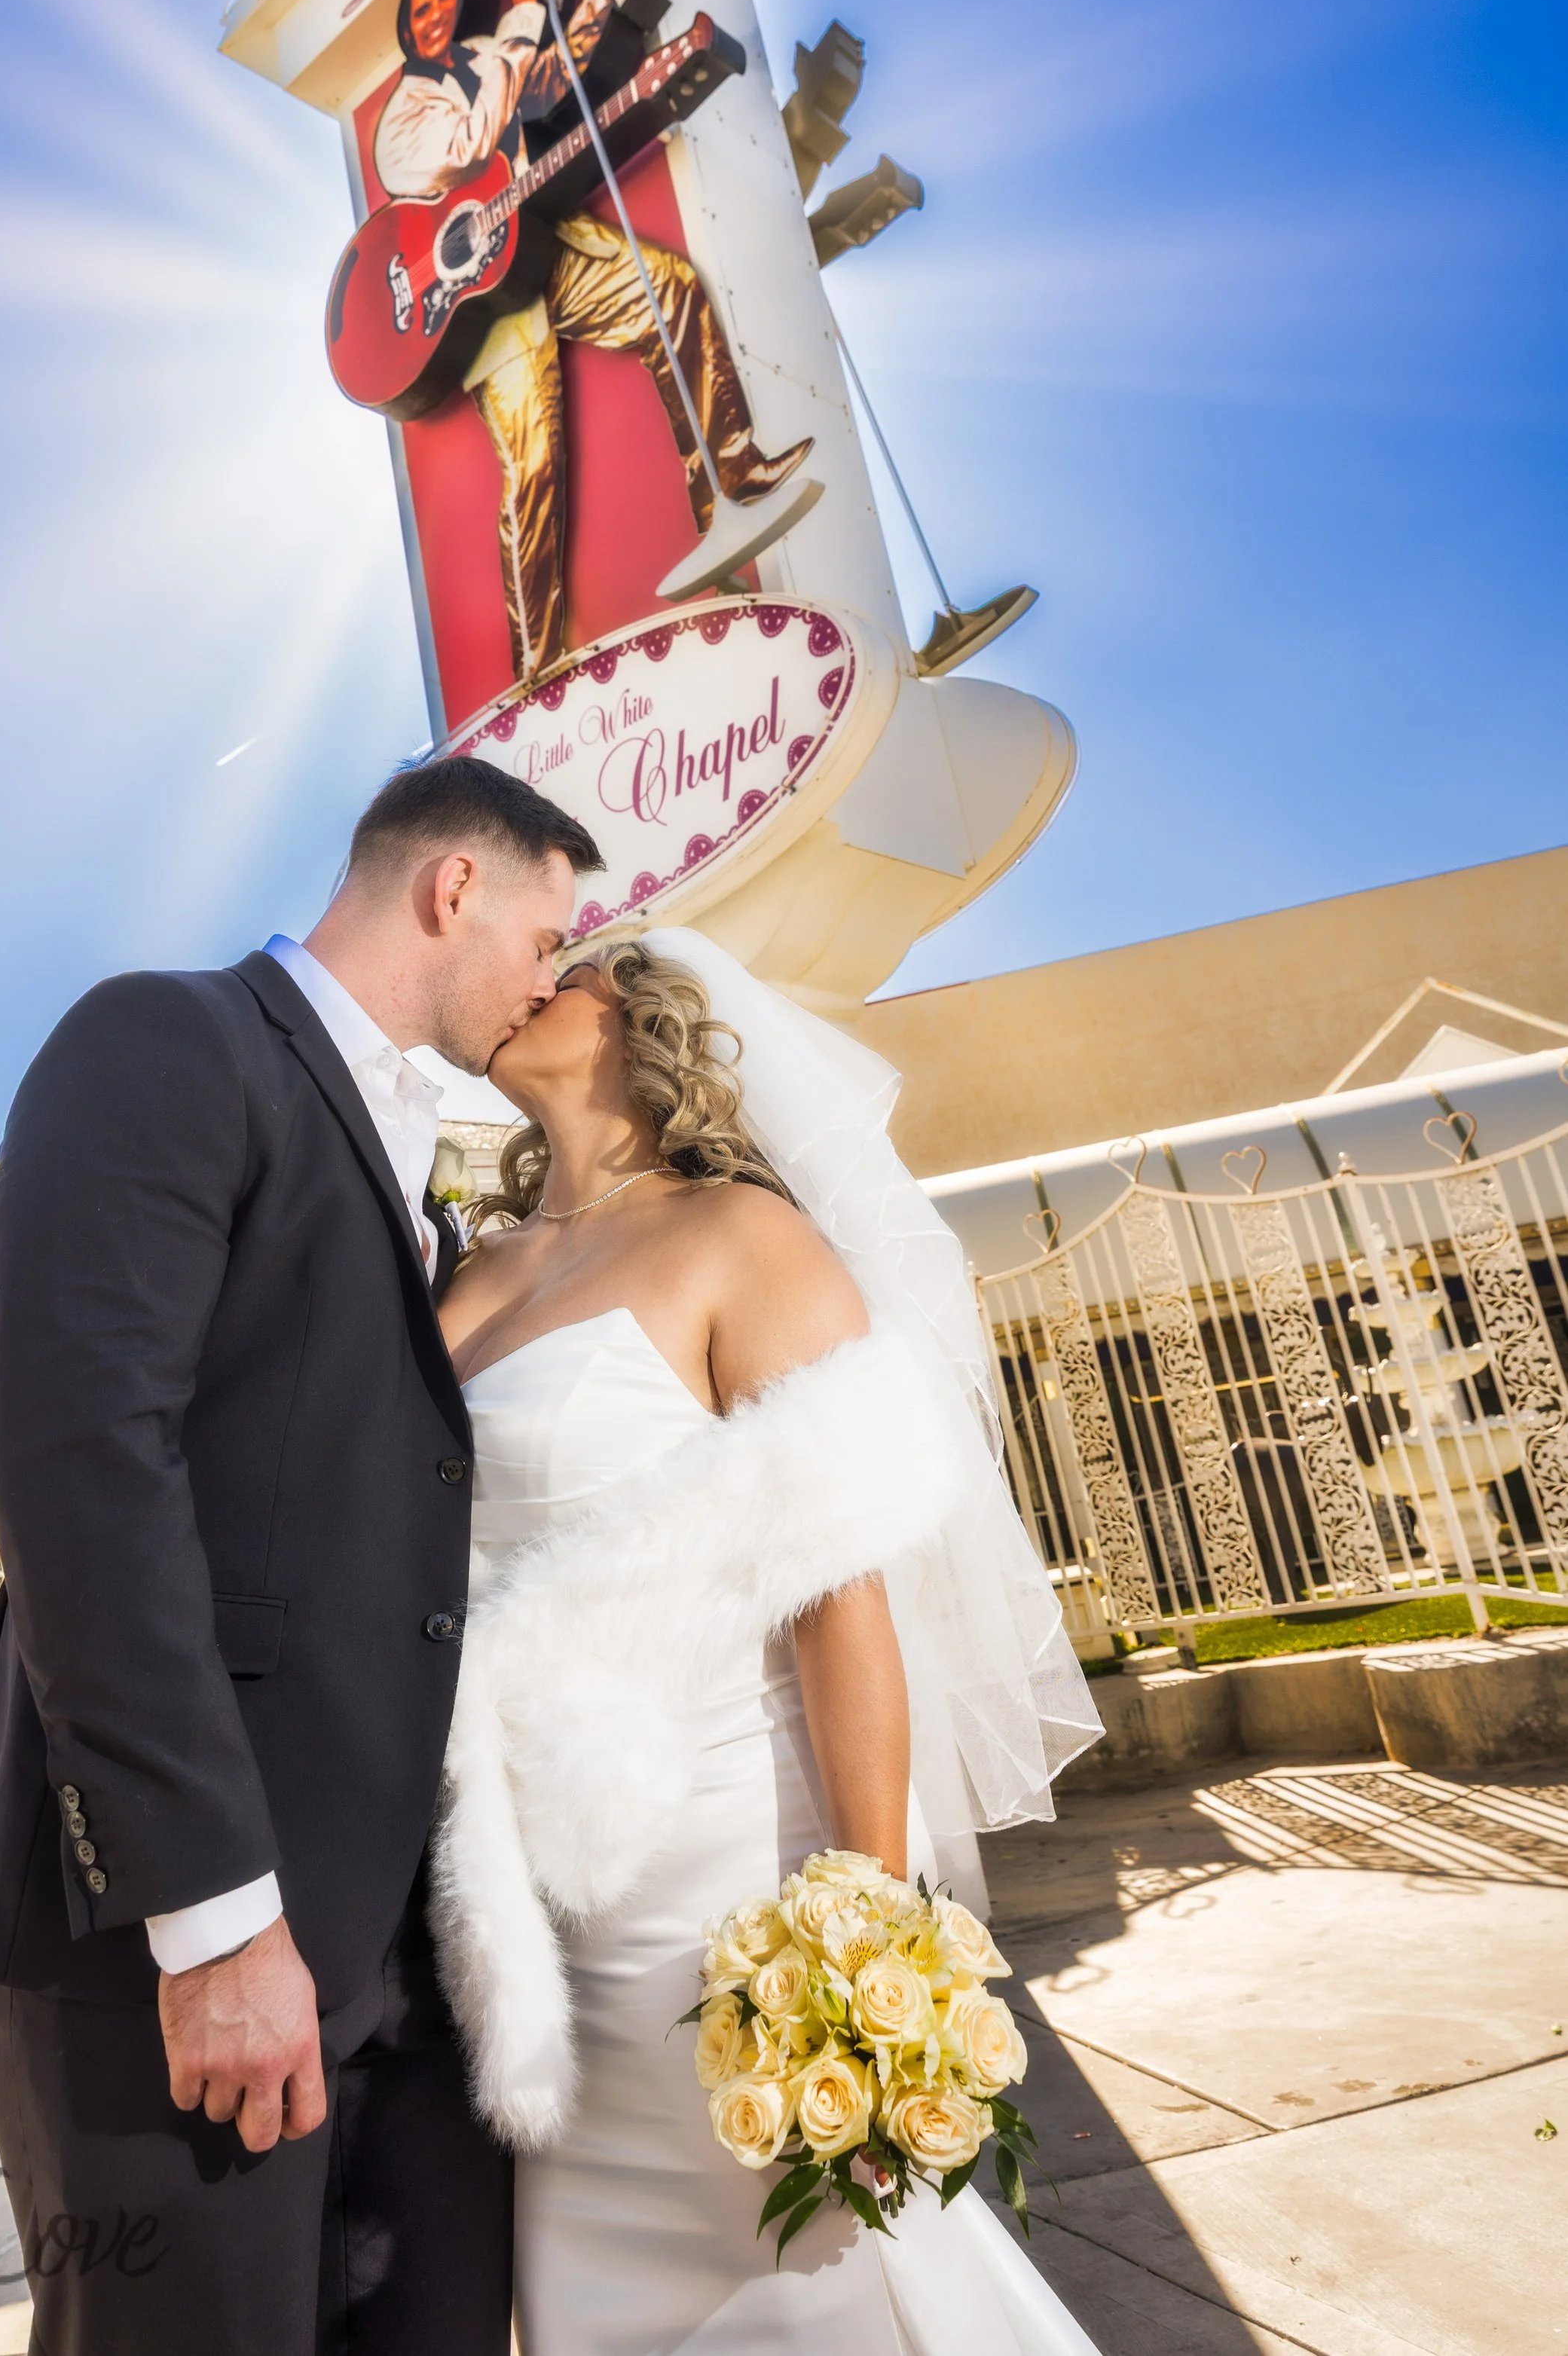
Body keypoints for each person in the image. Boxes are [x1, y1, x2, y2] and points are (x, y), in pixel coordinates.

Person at [0, 756, 604, 2356]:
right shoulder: (166, 1041)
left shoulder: (416, 1169)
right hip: (181, 1937)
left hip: (406, 1952)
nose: (550, 982)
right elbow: (84, 1474)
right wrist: (212, 1921)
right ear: (452, 889)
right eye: (547, 938)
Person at [432, 928, 1105, 2353]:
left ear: (641, 1018)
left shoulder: (745, 1238)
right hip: (528, 1911)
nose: (535, 972)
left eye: (575, 961)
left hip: (726, 1886)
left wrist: (865, 1941)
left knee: (818, 2285)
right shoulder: (462, 1278)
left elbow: (842, 1605)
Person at [373, 0, 818, 685]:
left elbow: (552, 83)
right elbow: (477, 137)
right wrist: (516, 11)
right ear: (407, 27)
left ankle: (730, 482)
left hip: (537, 240)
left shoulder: (485, 53)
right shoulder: (400, 120)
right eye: (423, 7)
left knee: (672, 288)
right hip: (476, 303)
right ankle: (539, 670)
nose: (438, 14)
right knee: (533, 468)